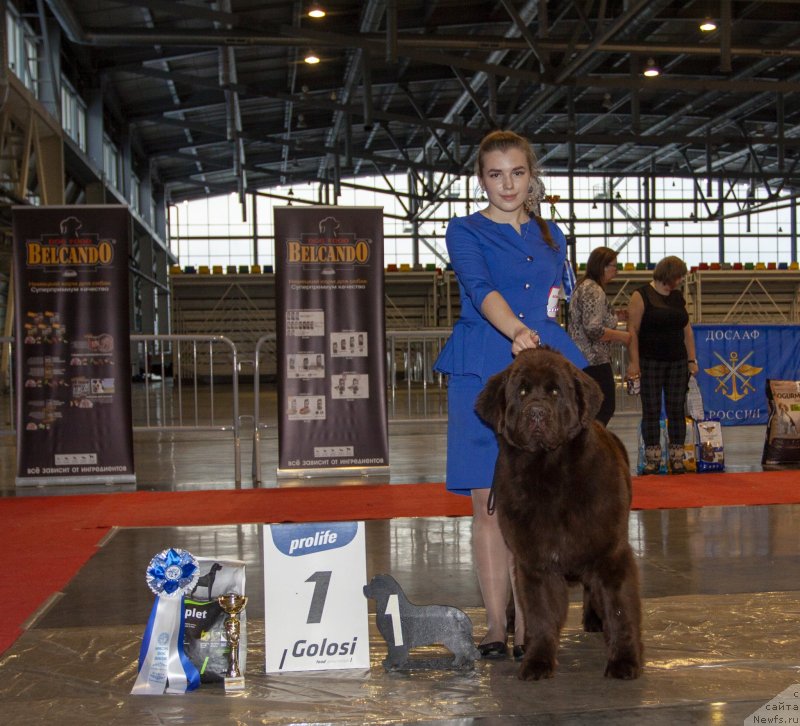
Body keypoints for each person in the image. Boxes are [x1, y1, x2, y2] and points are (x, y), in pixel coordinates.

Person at [433, 130, 588, 660]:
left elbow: (553, 303)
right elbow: (480, 289)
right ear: (481, 180)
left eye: (517, 173)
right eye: (495, 175)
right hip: (483, 372)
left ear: (531, 175)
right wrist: (515, 332)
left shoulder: (553, 236)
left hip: (546, 368)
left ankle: (534, 626)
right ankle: (497, 627)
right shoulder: (464, 231)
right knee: (489, 506)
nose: (507, 184)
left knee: (542, 507)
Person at [626, 256, 698, 475]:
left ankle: (677, 458)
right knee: (651, 410)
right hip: (650, 362)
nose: (680, 281)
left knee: (677, 409)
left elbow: (687, 331)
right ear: (669, 274)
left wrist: (691, 360)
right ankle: (652, 458)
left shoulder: (677, 297)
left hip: (677, 362)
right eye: (678, 276)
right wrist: (634, 363)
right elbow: (632, 331)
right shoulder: (641, 295)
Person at [567, 246, 631, 425]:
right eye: (613, 266)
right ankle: (591, 446)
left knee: (587, 410)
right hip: (593, 360)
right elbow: (593, 329)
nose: (616, 271)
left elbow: (589, 319)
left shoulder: (584, 286)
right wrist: (622, 336)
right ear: (602, 266)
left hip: (582, 359)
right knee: (603, 408)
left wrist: (615, 316)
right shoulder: (594, 290)